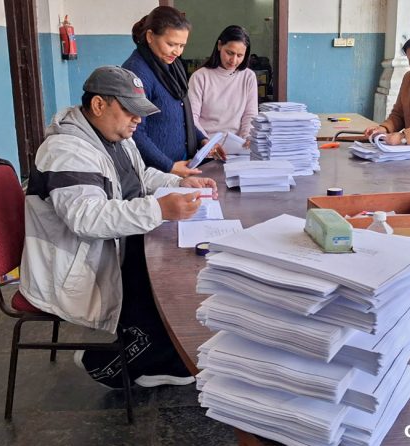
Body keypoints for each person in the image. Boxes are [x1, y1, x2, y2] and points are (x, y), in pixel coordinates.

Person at [20, 65, 217, 388]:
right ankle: (109, 363)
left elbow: (141, 178)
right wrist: (159, 208)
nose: (138, 121)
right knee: (163, 284)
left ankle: (167, 354)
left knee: (172, 269)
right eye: (130, 111)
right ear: (99, 105)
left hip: (115, 245)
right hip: (77, 262)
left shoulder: (115, 135)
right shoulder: (66, 150)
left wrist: (181, 182)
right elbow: (87, 218)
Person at [123, 6, 215, 177]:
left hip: (180, 165)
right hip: (156, 173)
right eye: (171, 44)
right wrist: (169, 166)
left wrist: (203, 140)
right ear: (150, 36)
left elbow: (182, 115)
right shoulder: (137, 72)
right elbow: (134, 132)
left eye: (182, 45)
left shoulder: (172, 66)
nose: (177, 52)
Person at [188, 25, 258, 157]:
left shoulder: (248, 77)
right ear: (219, 45)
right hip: (207, 149)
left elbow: (250, 115)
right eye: (230, 53)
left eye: (240, 55)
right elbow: (192, 118)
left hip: (237, 150)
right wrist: (206, 142)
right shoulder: (200, 77)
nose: (234, 60)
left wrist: (248, 137)